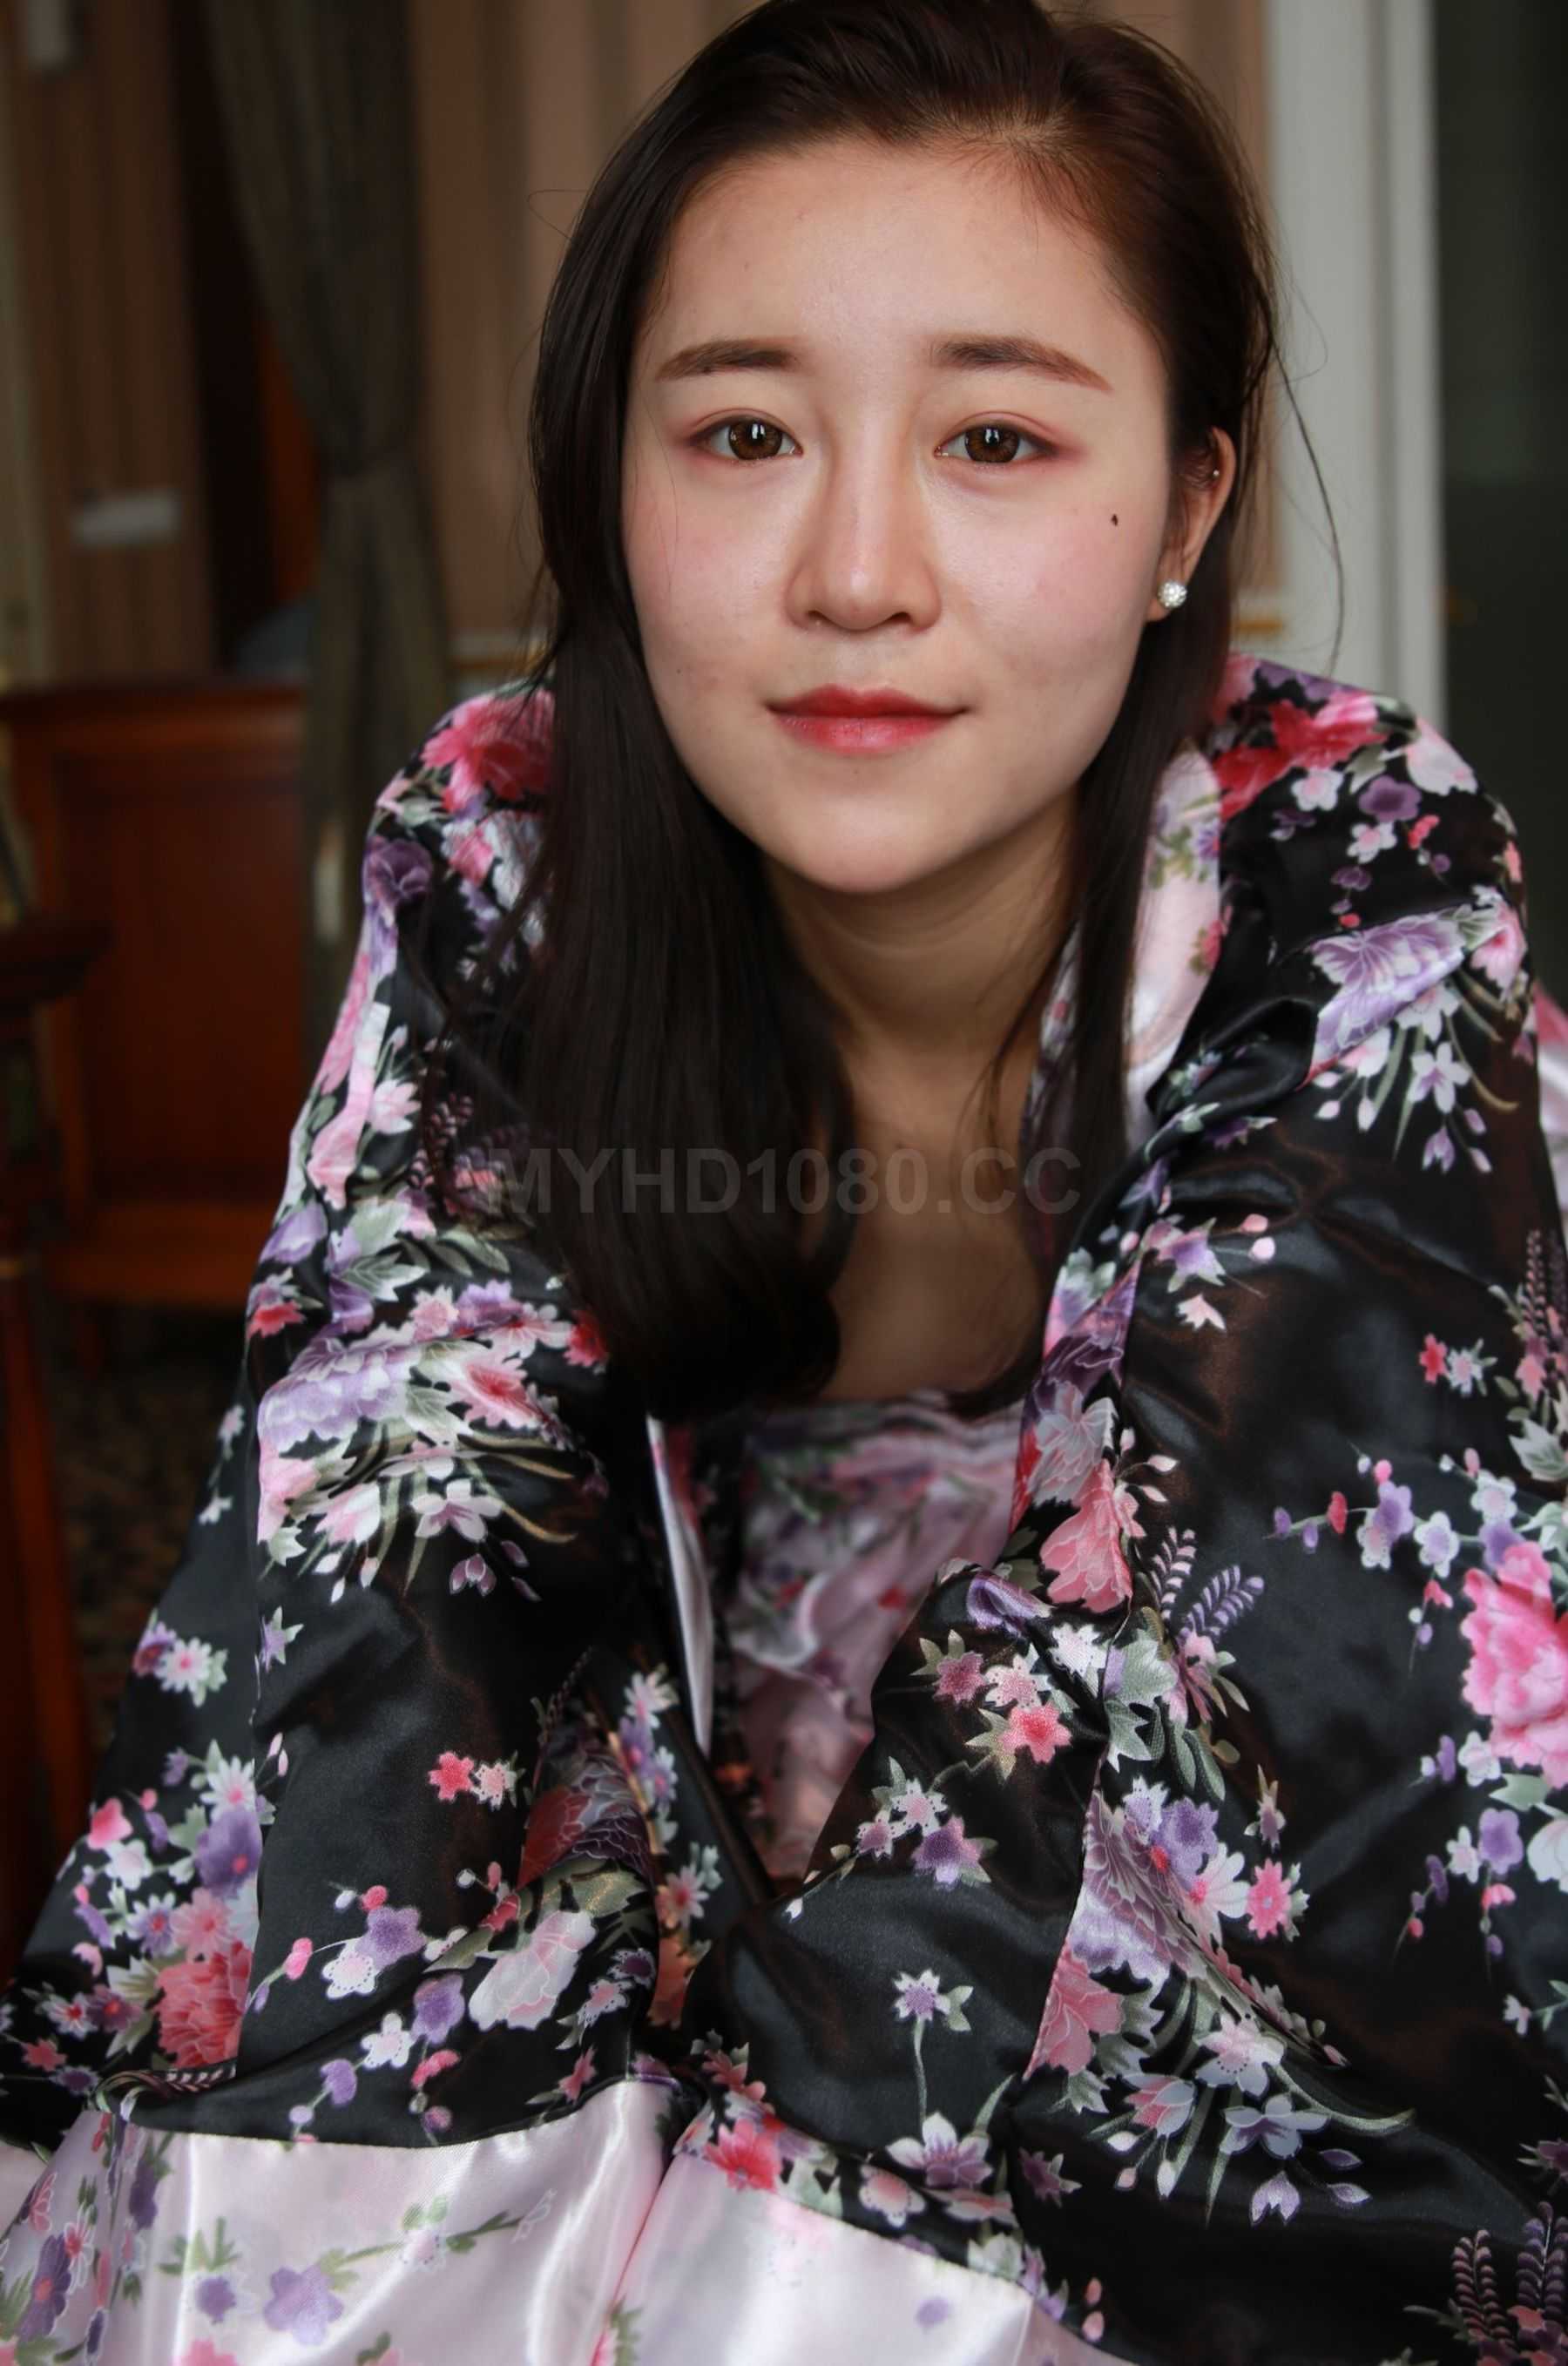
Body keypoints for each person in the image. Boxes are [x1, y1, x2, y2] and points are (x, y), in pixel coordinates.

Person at [2, 3, 1565, 2358]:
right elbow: (365, 1642)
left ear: (1188, 508)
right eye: (744, 432)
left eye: (997, 437)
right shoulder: (517, 875)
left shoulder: (1353, 897)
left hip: (1200, 1950)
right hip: (705, 1883)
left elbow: (1168, 1795)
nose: (855, 570)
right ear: (608, 487)